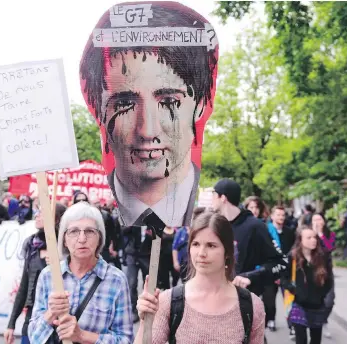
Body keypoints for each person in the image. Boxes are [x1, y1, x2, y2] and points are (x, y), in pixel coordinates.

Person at [79, 1, 219, 227]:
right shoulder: (100, 225)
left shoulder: (205, 227)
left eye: (169, 101)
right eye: (125, 103)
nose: (147, 130)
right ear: (98, 109)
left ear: (201, 103)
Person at [134, 210, 265, 343]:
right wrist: (145, 322)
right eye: (196, 244)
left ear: (227, 251)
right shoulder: (168, 302)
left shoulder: (251, 307)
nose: (201, 253)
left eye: (211, 245)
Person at [28, 201, 133, 343]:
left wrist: (82, 336)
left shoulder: (116, 280)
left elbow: (126, 339)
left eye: (90, 231)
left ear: (99, 238)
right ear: (64, 239)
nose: (82, 239)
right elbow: (34, 337)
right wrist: (51, 313)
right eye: (74, 231)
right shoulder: (49, 275)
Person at [210, 179, 287, 296]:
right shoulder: (216, 224)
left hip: (243, 300)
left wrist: (250, 276)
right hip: (215, 296)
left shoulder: (255, 226)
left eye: (214, 195)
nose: (211, 199)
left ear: (223, 198)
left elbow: (281, 263)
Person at [4, 203, 67, 344]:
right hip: (33, 318)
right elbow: (24, 285)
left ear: (56, 220)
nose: (37, 215)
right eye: (37, 212)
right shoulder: (32, 245)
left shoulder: (67, 248)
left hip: (60, 321)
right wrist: (11, 324)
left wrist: (61, 261)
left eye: (43, 213)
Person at [281, 226, 333, 344]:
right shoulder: (292, 256)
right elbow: (283, 277)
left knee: (316, 340)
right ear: (300, 240)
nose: (313, 240)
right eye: (309, 237)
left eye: (314, 237)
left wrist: (322, 295)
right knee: (301, 339)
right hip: (299, 304)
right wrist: (293, 289)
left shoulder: (323, 256)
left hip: (318, 305)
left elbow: (329, 280)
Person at [263, 205, 295, 332]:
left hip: (286, 271)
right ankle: (271, 319)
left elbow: (293, 250)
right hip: (271, 271)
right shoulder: (267, 231)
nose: (281, 217)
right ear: (272, 216)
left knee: (289, 298)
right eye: (278, 214)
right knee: (269, 299)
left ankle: (292, 324)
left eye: (283, 215)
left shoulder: (289, 232)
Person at [122, 224, 153, 323]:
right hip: (132, 254)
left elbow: (159, 237)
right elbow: (123, 231)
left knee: (148, 283)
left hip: (146, 255)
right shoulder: (133, 219)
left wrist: (153, 233)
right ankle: (134, 311)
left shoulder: (151, 221)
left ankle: (147, 309)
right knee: (131, 283)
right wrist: (130, 225)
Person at [312, 212, 336, 338]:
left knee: (329, 301)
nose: (317, 222)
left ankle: (323, 320)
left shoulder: (330, 234)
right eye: (314, 219)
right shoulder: (308, 235)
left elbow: (329, 248)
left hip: (327, 272)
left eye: (319, 219)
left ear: (324, 221)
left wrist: (320, 235)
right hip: (311, 272)